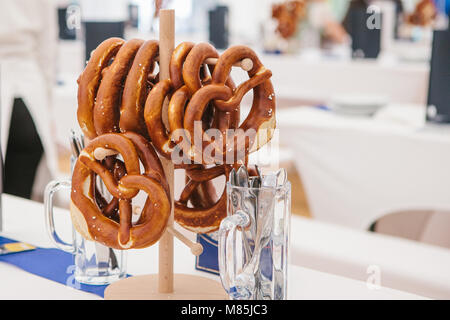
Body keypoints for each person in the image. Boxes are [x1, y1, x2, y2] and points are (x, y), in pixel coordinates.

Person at [0, 0, 59, 199]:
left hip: (22, 86)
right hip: (30, 95)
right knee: (18, 199)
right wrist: (49, 108)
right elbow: (48, 50)